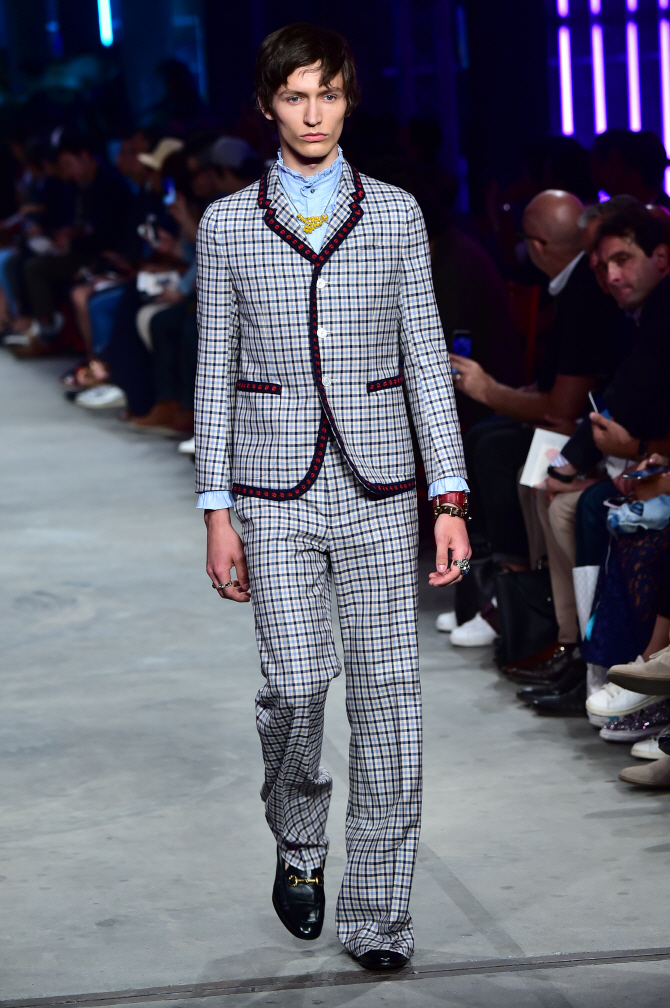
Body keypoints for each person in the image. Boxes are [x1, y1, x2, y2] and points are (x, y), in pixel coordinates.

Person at [195, 22, 470, 971]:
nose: (313, 114)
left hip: (382, 487)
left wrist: (450, 496)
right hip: (272, 491)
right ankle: (300, 836)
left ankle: (378, 919)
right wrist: (216, 511)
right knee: (295, 686)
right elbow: (213, 371)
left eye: (330, 94)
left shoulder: (394, 213)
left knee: (390, 704)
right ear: (267, 105)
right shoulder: (227, 225)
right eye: (295, 95)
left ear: (350, 100)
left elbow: (425, 358)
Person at [445, 190, 620, 650]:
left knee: (498, 448)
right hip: (589, 428)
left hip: (597, 437)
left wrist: (488, 390)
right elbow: (560, 389)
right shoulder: (575, 285)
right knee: (487, 437)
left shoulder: (586, 291)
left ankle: (520, 594)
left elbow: (561, 407)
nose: (605, 269)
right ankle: (500, 591)